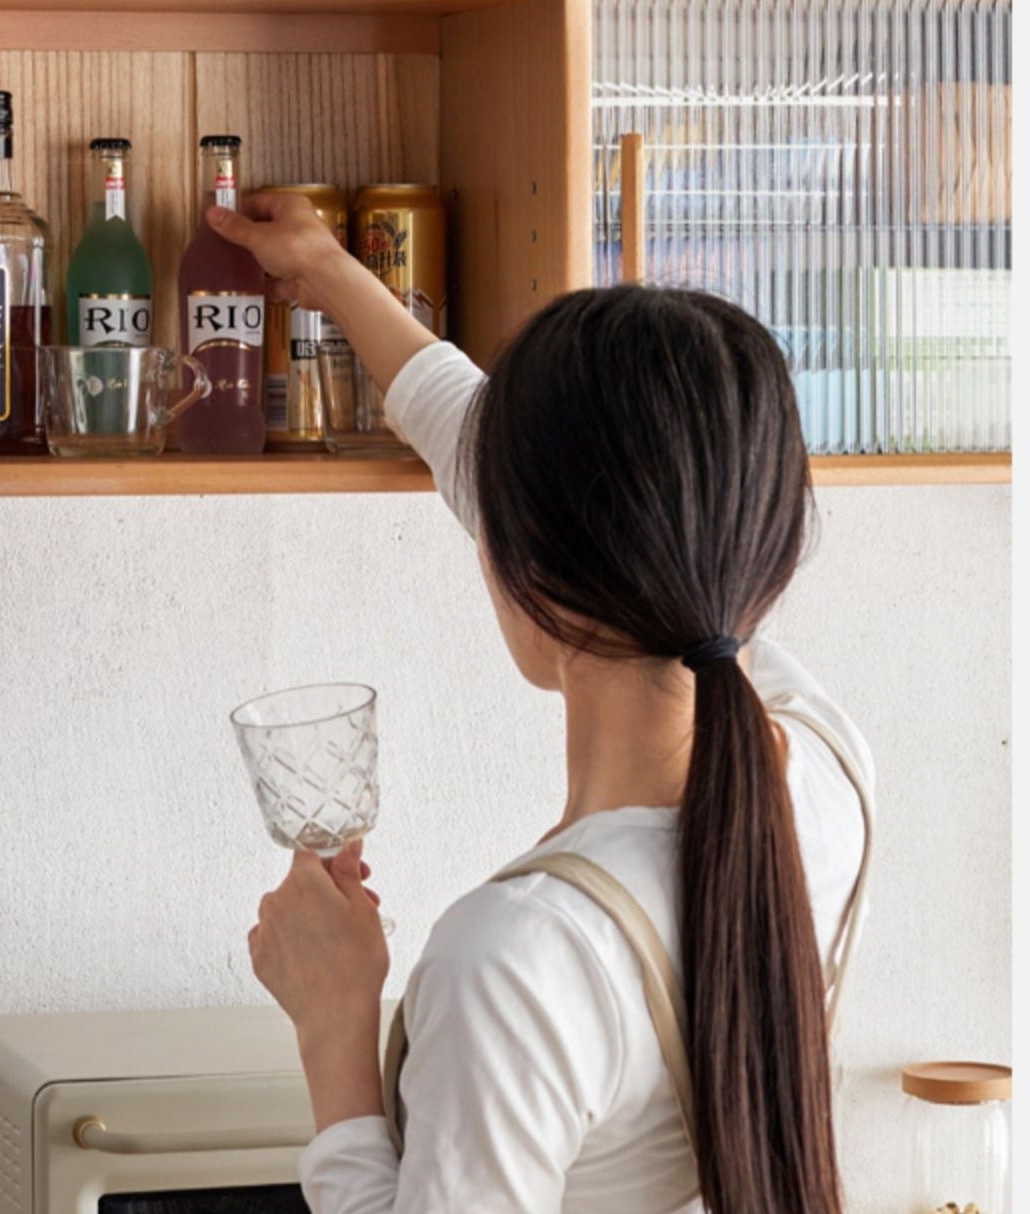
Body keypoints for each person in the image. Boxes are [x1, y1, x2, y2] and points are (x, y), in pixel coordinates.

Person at [208, 191, 874, 1214]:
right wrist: (332, 275)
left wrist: (333, 1028)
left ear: (521, 566)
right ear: (769, 547)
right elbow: (565, 491)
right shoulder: (826, 765)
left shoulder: (518, 956)